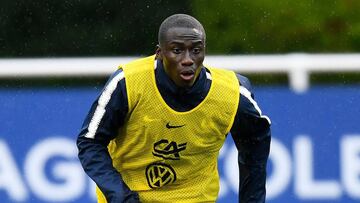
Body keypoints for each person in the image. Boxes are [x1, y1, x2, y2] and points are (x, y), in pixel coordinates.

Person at [77, 14, 271, 203]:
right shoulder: (128, 83)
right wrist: (119, 195)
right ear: (159, 53)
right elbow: (90, 142)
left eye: (196, 50)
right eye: (177, 50)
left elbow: (256, 141)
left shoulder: (231, 94)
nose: (188, 59)